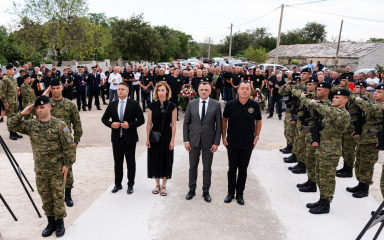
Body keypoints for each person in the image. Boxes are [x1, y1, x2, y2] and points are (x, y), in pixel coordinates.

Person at [7, 95, 76, 237]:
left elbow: (69, 147)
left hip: (57, 169)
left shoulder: (59, 125)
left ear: (49, 107)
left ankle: (60, 223)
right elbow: (10, 125)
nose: (39, 110)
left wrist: (67, 165)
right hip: (40, 170)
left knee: (57, 197)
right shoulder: (32, 125)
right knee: (45, 196)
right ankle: (50, 222)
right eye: (37, 108)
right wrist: (23, 112)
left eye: (42, 107)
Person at [302, 89, 351, 214]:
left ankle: (326, 204)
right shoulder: (333, 112)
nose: (334, 99)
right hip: (323, 148)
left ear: (345, 100)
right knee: (320, 176)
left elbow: (328, 111)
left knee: (327, 178)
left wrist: (313, 103)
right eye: (333, 97)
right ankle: (322, 199)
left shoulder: (343, 114)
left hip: (331, 151)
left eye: (337, 98)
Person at [43, 79, 83, 207]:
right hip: (49, 143)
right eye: (53, 88)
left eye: (57, 88)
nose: (55, 91)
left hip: (66, 143)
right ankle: (54, 196)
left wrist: (76, 141)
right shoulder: (46, 105)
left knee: (68, 168)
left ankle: (68, 195)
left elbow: (77, 124)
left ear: (62, 88)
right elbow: (34, 110)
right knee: (51, 169)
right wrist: (44, 95)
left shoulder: (69, 105)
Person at [222, 80, 262, 205]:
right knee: (232, 168)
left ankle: (240, 194)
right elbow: (224, 121)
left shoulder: (255, 105)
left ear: (251, 91)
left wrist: (256, 136)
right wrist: (224, 136)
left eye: (247, 88)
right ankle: (230, 193)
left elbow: (258, 121)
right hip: (232, 142)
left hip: (247, 142)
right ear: (238, 90)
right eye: (242, 88)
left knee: (243, 169)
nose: (245, 90)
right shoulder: (230, 104)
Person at [101, 82, 145, 194]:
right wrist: (111, 124)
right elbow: (104, 119)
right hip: (116, 139)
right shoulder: (112, 104)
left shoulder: (134, 104)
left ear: (127, 91)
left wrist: (129, 125)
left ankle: (130, 185)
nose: (120, 91)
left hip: (130, 139)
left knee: (130, 163)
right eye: (118, 89)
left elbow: (141, 120)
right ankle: (117, 184)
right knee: (118, 163)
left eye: (122, 89)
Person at [183, 81, 222, 202]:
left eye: (206, 89)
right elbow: (186, 123)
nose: (204, 91)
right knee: (192, 167)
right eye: (202, 90)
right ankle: (191, 190)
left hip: (209, 141)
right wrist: (186, 140)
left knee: (207, 168)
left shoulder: (216, 105)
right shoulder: (191, 104)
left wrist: (216, 143)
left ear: (210, 91)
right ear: (198, 91)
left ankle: (206, 191)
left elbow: (219, 126)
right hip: (193, 140)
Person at [346, 84, 384, 198]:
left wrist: (358, 99)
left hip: (372, 141)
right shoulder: (376, 104)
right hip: (364, 138)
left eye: (379, 92)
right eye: (375, 91)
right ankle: (360, 184)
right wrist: (358, 132)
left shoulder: (381, 106)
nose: (376, 93)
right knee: (359, 163)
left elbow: (370, 110)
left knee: (366, 165)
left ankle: (365, 188)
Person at [146, 81, 177, 196]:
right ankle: (157, 185)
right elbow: (149, 123)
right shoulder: (151, 106)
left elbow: (173, 124)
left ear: (167, 91)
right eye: (158, 90)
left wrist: (172, 140)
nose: (160, 92)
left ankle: (164, 186)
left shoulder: (172, 106)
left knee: (166, 160)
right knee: (155, 159)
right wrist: (148, 138)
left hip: (167, 136)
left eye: (163, 90)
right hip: (154, 136)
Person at [0, 64, 23, 140]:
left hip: (15, 102)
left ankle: (14, 131)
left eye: (12, 69)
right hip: (9, 102)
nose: (12, 70)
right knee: (10, 118)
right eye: (10, 69)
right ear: (7, 70)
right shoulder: (5, 79)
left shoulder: (14, 79)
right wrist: (5, 102)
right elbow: (2, 92)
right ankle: (11, 133)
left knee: (15, 117)